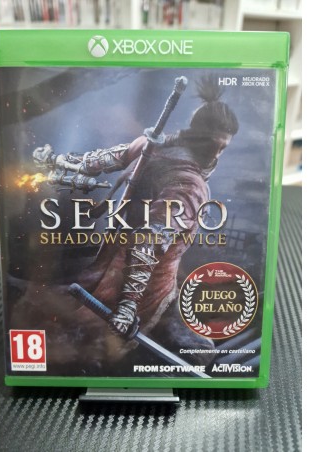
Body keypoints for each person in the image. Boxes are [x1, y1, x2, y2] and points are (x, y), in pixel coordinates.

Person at [31, 76, 239, 370]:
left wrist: (56, 161)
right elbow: (148, 243)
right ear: (195, 135)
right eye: (213, 145)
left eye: (222, 149)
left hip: (115, 271)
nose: (216, 156)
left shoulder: (151, 147)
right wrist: (129, 306)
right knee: (193, 352)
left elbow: (102, 161)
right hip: (146, 288)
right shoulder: (188, 184)